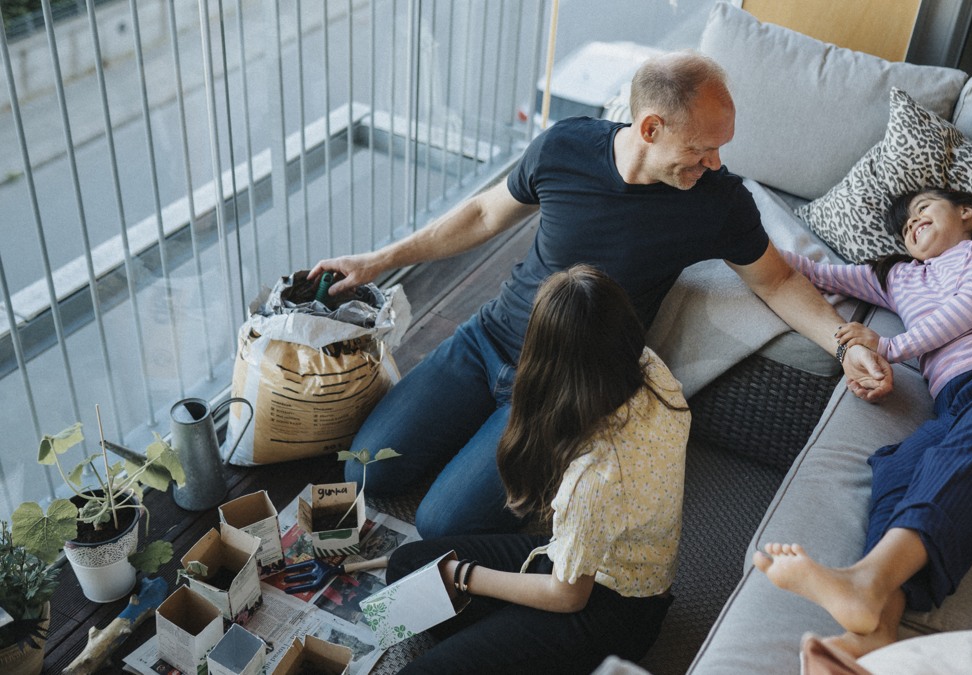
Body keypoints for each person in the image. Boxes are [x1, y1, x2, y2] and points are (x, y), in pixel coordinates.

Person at [309, 50, 892, 538]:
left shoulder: (718, 201)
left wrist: (845, 346)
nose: (715, 163)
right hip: (487, 340)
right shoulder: (564, 147)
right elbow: (485, 212)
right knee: (365, 470)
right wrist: (378, 261)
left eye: (720, 148)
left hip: (566, 383)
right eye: (701, 149)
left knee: (443, 524)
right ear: (650, 128)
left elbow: (779, 280)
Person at [754, 188, 972, 657]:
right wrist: (735, 241)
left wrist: (885, 347)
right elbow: (812, 271)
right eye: (904, 227)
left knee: (953, 461)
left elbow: (969, 308)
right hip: (956, 401)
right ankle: (876, 631)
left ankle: (866, 580)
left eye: (922, 210)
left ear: (966, 212)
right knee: (897, 470)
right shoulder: (895, 275)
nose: (911, 225)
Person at [384, 265, 688, 674]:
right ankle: (511, 642)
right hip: (582, 558)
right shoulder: (652, 370)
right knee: (404, 571)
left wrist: (464, 575)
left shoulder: (596, 476)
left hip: (615, 609)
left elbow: (568, 597)